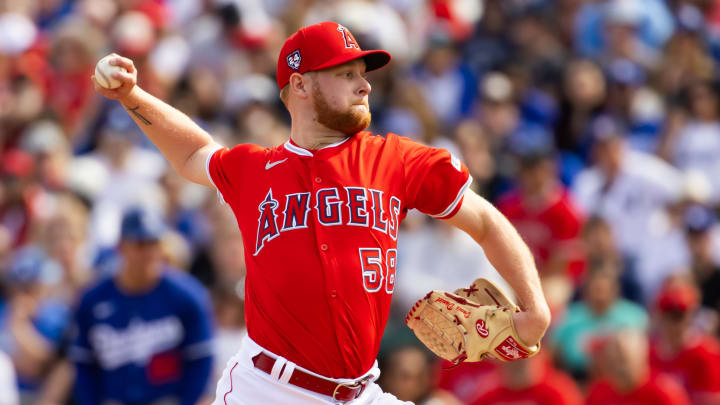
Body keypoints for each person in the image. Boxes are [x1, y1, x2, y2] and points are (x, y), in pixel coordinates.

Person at [91, 21, 550, 405]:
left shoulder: (394, 160)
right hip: (269, 389)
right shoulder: (254, 168)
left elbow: (487, 222)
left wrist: (535, 306)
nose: (365, 84)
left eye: (363, 73)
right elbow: (195, 153)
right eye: (346, 73)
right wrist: (133, 96)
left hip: (362, 391)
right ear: (300, 84)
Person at [69, 207, 215, 405]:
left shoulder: (187, 295)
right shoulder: (93, 299)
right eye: (140, 244)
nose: (149, 252)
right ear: (120, 247)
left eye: (153, 243)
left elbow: (201, 360)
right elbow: (84, 365)